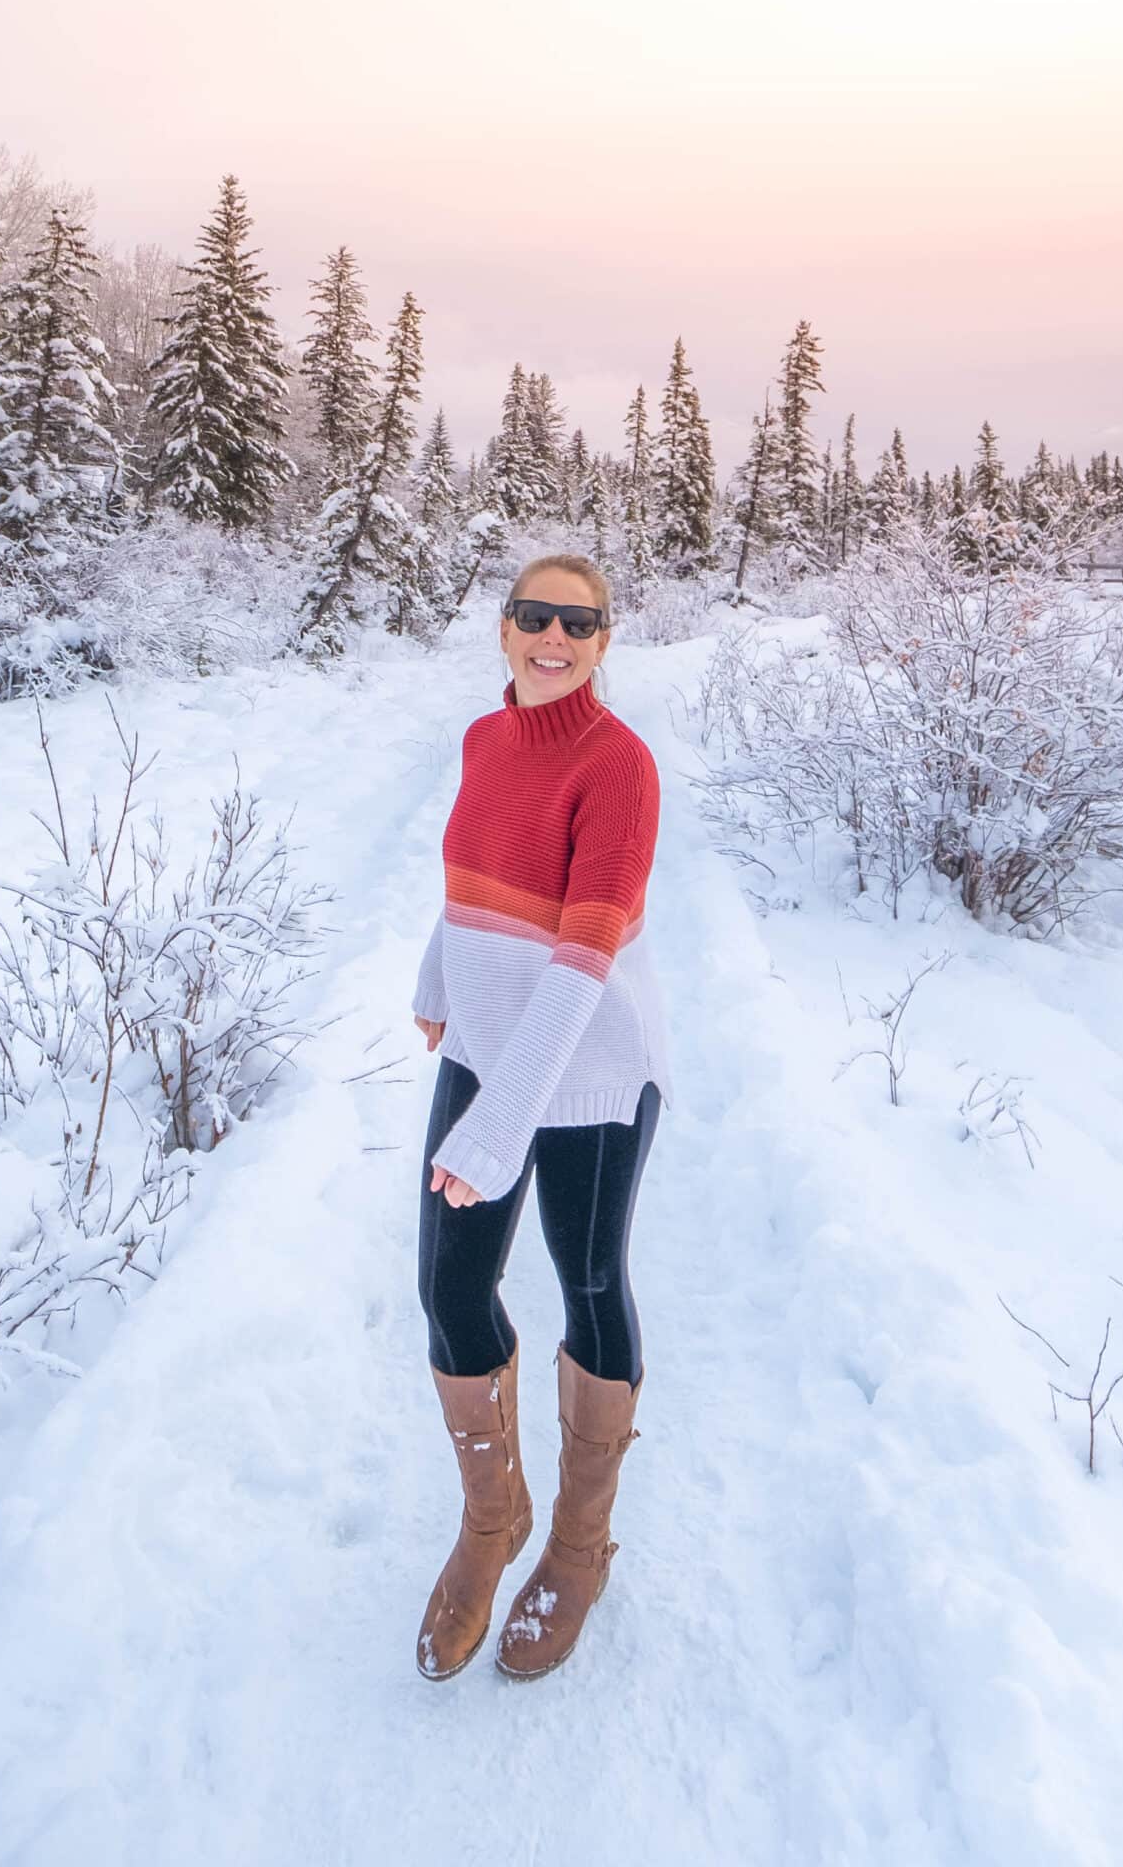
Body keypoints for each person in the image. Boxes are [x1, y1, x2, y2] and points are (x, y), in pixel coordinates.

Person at [411, 552, 668, 1683]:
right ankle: (492, 1518)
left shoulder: (621, 768)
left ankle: (574, 1545)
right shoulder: (482, 738)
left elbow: (580, 960)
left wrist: (498, 1124)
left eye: (578, 620)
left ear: (605, 640)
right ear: (503, 627)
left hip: (590, 1069)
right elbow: (468, 878)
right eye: (532, 615)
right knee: (449, 1286)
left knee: (590, 1283)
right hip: (484, 1040)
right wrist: (437, 978)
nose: (551, 636)